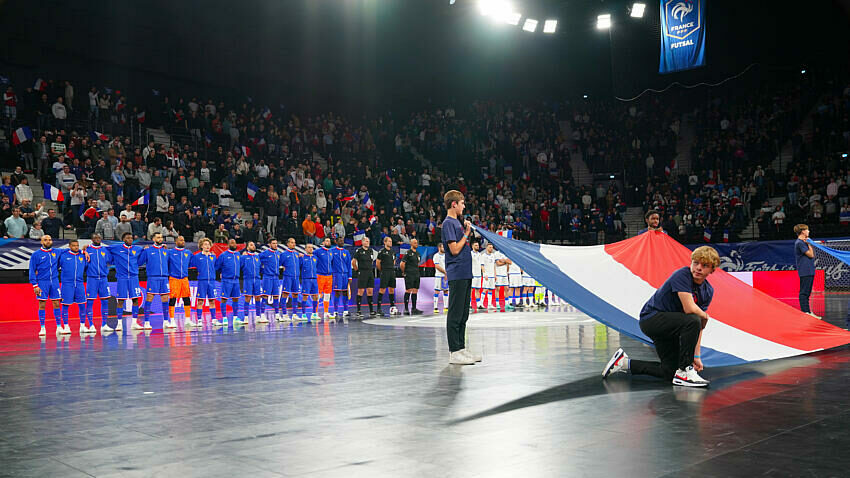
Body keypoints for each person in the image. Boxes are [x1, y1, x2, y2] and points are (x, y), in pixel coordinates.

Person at [602, 246, 719, 387]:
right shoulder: (682, 275)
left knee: (669, 371)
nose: (698, 268)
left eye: (705, 265)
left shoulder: (708, 291)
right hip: (651, 319)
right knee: (692, 319)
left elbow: (699, 325)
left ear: (712, 270)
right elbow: (690, 309)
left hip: (671, 326)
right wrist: (705, 315)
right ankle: (685, 371)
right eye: (695, 263)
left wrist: (696, 356)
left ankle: (624, 363)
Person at [441, 190, 480, 365]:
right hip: (456, 272)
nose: (464, 206)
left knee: (464, 313)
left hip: (465, 271)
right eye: (462, 203)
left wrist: (465, 231)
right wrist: (466, 233)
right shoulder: (449, 223)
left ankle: (461, 348)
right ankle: (454, 351)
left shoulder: (457, 223)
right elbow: (454, 249)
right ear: (454, 204)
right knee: (455, 312)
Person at [106, 232, 144, 331]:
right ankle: (119, 324)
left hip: (134, 278)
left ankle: (134, 323)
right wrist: (87, 248)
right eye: (128, 238)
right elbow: (101, 249)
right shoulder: (116, 248)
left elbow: (147, 250)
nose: (130, 239)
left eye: (131, 238)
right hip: (122, 278)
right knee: (121, 300)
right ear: (123, 239)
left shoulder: (137, 249)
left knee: (135, 299)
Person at [29, 235, 63, 336]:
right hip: (42, 282)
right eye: (45, 240)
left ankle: (59, 327)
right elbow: (32, 270)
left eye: (49, 240)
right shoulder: (36, 254)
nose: (48, 241)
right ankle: (42, 328)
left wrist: (84, 251)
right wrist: (35, 285)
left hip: (55, 281)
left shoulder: (57, 251)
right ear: (41, 242)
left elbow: (72, 249)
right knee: (42, 304)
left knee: (56, 303)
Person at [139, 232, 171, 330]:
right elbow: (139, 262)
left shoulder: (166, 250)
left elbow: (169, 263)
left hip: (164, 278)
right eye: (158, 237)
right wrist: (142, 251)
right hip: (153, 278)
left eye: (161, 237)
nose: (160, 239)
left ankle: (166, 321)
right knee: (149, 298)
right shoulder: (148, 250)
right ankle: (147, 322)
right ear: (153, 239)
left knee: (165, 299)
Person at [59, 239, 89, 334]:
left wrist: (83, 251)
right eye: (73, 245)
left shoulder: (82, 256)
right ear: (69, 246)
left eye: (77, 245)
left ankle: (83, 326)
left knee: (82, 305)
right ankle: (66, 326)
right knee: (65, 305)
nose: (76, 247)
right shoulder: (63, 256)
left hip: (79, 284)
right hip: (67, 284)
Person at [85, 233, 112, 332]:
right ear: (91, 239)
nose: (97, 239)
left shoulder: (105, 250)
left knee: (105, 301)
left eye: (99, 237)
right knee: (90, 301)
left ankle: (104, 324)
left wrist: (106, 270)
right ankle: (91, 325)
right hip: (92, 279)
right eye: (95, 238)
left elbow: (110, 261)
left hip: (103, 279)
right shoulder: (87, 250)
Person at [189, 238, 218, 327]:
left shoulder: (213, 257)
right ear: (201, 246)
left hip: (212, 281)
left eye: (208, 244)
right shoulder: (197, 256)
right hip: (202, 281)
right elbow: (190, 265)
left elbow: (216, 267)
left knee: (212, 300)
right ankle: (200, 320)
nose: (207, 246)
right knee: (200, 300)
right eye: (205, 244)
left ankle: (214, 319)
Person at [168, 236, 194, 328]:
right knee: (173, 299)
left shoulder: (188, 253)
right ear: (176, 241)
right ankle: (171, 320)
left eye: (183, 240)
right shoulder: (170, 252)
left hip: (184, 279)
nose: (182, 241)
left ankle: (187, 319)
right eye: (180, 240)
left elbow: (192, 263)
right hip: (174, 278)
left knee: (186, 298)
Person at [215, 238, 242, 327]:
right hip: (226, 280)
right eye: (232, 243)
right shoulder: (223, 255)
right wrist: (222, 273)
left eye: (234, 242)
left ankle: (235, 318)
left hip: (236, 280)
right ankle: (224, 318)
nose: (234, 244)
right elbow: (217, 267)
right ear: (228, 245)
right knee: (224, 298)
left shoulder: (238, 254)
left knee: (236, 298)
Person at [794, 224, 819, 318]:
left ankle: (808, 311)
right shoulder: (800, 243)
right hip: (805, 270)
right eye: (807, 230)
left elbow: (812, 254)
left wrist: (808, 244)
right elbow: (811, 255)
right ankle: (805, 312)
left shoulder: (803, 242)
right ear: (803, 231)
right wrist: (809, 245)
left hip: (809, 269)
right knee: (804, 292)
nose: (809, 232)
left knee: (807, 292)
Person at [259, 238, 284, 323]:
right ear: (269, 244)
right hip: (267, 277)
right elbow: (257, 261)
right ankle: (262, 315)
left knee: (276, 296)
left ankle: (277, 314)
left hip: (276, 278)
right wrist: (263, 271)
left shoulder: (278, 253)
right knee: (265, 295)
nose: (275, 245)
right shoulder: (265, 253)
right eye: (273, 243)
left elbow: (279, 263)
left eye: (276, 243)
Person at [239, 241, 263, 325]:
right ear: (247, 247)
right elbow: (239, 267)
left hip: (257, 280)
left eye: (254, 245)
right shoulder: (243, 257)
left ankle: (258, 316)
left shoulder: (257, 257)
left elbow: (260, 268)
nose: (253, 246)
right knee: (247, 298)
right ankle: (245, 317)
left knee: (257, 298)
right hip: (248, 279)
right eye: (251, 245)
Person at [352, 237, 376, 316]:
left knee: (370, 291)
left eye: (368, 241)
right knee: (361, 291)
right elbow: (353, 262)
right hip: (362, 272)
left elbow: (372, 261)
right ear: (362, 242)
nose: (368, 242)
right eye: (366, 241)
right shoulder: (359, 251)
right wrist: (357, 270)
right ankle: (358, 311)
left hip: (370, 272)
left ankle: (371, 310)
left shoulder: (370, 251)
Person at [280, 237, 303, 321]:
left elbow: (300, 265)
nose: (294, 244)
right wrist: (283, 267)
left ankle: (294, 314)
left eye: (294, 242)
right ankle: (284, 314)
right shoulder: (284, 254)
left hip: (296, 277)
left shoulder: (297, 254)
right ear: (288, 244)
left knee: (295, 294)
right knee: (285, 294)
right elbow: (279, 264)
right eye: (292, 242)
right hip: (288, 277)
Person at [376, 236, 398, 317]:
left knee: (392, 289)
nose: (390, 243)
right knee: (382, 289)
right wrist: (382, 270)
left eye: (391, 241)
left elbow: (394, 261)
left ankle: (392, 307)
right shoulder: (382, 252)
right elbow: (378, 263)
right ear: (385, 242)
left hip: (392, 271)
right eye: (389, 241)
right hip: (385, 272)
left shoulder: (392, 251)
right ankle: (379, 308)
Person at [330, 236, 352, 318]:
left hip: (345, 275)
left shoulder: (346, 252)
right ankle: (335, 311)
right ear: (336, 242)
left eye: (343, 241)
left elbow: (349, 265)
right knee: (337, 292)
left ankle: (345, 311)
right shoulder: (332, 251)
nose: (342, 242)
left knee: (345, 292)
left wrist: (350, 276)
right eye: (340, 241)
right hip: (337, 274)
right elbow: (330, 263)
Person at [400, 238, 422, 315]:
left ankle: (414, 308)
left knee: (415, 290)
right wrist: (404, 272)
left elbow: (418, 263)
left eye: (417, 242)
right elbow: (402, 264)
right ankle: (406, 308)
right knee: (408, 290)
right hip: (409, 274)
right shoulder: (408, 253)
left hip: (416, 274)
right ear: (411, 244)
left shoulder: (418, 254)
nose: (416, 244)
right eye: (415, 243)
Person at [299, 243, 320, 321]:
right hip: (306, 279)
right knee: (305, 296)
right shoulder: (302, 258)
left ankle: (314, 313)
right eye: (309, 247)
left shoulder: (315, 258)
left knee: (315, 296)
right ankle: (303, 314)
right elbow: (298, 267)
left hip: (314, 279)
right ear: (305, 249)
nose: (310, 249)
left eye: (312, 247)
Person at [315, 237, 335, 317]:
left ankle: (326, 312)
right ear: (323, 242)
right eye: (326, 241)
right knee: (318, 294)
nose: (328, 242)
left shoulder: (331, 252)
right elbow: (310, 255)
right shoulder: (318, 251)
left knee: (327, 294)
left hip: (329, 276)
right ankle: (315, 312)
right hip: (320, 275)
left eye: (329, 241)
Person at [480, 243, 497, 310]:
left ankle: (489, 304)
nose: (491, 248)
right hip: (486, 275)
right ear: (486, 248)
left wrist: (495, 274)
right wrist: (484, 274)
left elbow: (494, 266)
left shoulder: (493, 255)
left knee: (491, 289)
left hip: (492, 275)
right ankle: (481, 303)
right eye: (490, 247)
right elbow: (482, 265)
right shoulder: (483, 256)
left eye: (492, 247)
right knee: (485, 289)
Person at [433, 242, 448, 314]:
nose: (444, 249)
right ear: (439, 248)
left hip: (445, 275)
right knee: (437, 291)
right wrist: (445, 272)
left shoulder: (446, 256)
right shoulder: (436, 256)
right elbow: (437, 266)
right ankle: (435, 307)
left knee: (446, 291)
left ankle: (445, 307)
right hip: (439, 275)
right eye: (443, 247)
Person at [470, 241, 483, 311]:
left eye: (478, 245)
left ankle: (478, 304)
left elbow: (481, 265)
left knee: (477, 290)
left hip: (478, 274)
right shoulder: (470, 254)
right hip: (473, 274)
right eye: (476, 245)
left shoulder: (480, 254)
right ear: (472, 246)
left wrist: (483, 273)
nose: (477, 246)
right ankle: (469, 304)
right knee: (471, 290)